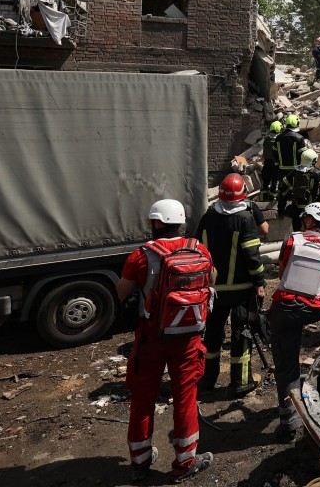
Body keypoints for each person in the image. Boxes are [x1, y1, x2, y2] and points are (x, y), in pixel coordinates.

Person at [117, 199, 215, 484]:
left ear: (156, 223)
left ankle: (140, 462)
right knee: (185, 397)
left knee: (143, 398)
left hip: (151, 338)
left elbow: (121, 292)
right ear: (181, 222)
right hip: (188, 338)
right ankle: (185, 463)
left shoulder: (142, 255)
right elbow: (212, 277)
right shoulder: (199, 249)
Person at [267, 202, 320, 442]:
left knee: (286, 368)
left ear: (308, 221)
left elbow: (282, 275)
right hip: (312, 307)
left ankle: (289, 425)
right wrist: (315, 290)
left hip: (284, 309)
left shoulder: (291, 241)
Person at [195, 174, 267, 397]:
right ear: (243, 194)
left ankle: (207, 380)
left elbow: (199, 250)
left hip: (213, 290)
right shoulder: (245, 219)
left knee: (212, 335)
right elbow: (252, 255)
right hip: (241, 289)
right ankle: (241, 381)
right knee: (241, 333)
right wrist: (260, 282)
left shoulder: (207, 217)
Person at [279, 148, 320, 232]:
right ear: (314, 160)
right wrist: (319, 200)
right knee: (311, 235)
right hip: (312, 211)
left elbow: (282, 186)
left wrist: (290, 196)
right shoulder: (317, 173)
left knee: (297, 235)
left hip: (296, 209)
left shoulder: (295, 172)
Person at [274, 114, 308, 215]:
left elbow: (274, 153)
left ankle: (281, 213)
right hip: (295, 170)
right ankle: (297, 214)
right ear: (296, 124)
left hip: (282, 170)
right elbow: (303, 155)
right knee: (297, 191)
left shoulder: (278, 138)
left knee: (283, 191)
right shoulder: (299, 138)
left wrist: (277, 165)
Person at [261, 120, 284, 200]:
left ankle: (263, 200)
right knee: (274, 183)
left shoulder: (267, 139)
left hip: (266, 163)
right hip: (276, 164)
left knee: (265, 183)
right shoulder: (279, 140)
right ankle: (272, 201)